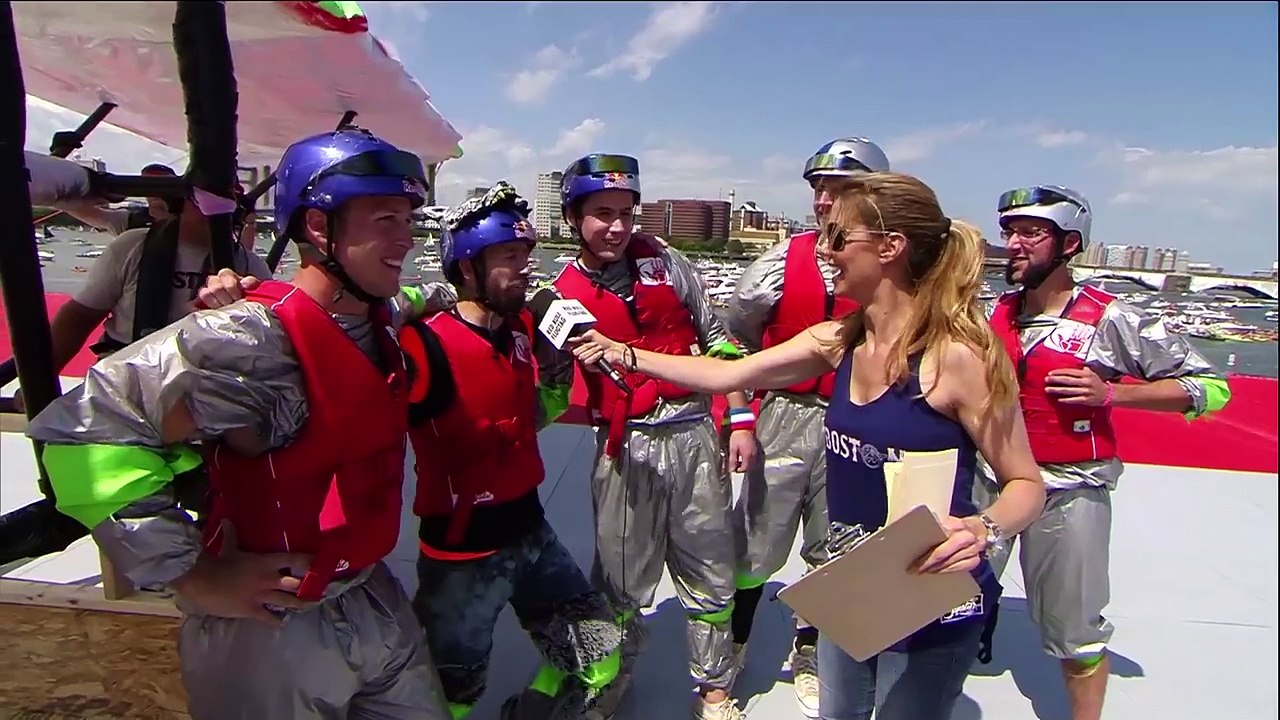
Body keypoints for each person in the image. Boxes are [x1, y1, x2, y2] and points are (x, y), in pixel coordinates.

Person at [569, 171, 1047, 720]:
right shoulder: (839, 341)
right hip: (854, 583)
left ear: (890, 249)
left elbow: (1026, 485)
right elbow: (729, 374)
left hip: (930, 590)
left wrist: (984, 529)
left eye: (841, 238)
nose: (825, 250)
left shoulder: (959, 360)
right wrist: (623, 353)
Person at [24, 128, 452, 720]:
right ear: (319, 228)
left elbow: (428, 295)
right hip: (271, 629)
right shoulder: (246, 338)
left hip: (373, 598)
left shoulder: (382, 316)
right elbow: (82, 430)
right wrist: (193, 576)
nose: (407, 237)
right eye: (386, 219)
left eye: (409, 219)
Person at [974, 185, 1231, 720]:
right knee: (949, 601)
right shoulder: (994, 313)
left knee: (1075, 627)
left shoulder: (1111, 318)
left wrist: (1112, 392)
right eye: (1009, 232)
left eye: (1030, 233)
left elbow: (1211, 388)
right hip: (989, 480)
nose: (1014, 244)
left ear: (1069, 244)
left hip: (1070, 489)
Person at [397, 183, 622, 720]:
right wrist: (415, 298)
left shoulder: (521, 326)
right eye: (508, 258)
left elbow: (543, 397)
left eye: (527, 255)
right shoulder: (421, 345)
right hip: (462, 554)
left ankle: (536, 704)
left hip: (530, 530)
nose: (524, 269)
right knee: (450, 690)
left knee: (601, 652)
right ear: (468, 268)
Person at [553, 153, 758, 720]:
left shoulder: (667, 261)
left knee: (711, 566)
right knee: (620, 579)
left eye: (625, 212)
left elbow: (719, 341)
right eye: (601, 214)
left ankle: (714, 690)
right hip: (625, 448)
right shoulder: (558, 295)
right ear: (574, 218)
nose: (616, 226)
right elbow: (545, 382)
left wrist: (738, 419)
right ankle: (614, 675)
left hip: (694, 433)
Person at [724, 136, 890, 717]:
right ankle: (731, 649)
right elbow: (733, 343)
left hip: (860, 423)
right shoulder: (778, 263)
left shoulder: (894, 269)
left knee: (840, 545)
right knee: (755, 542)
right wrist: (742, 418)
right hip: (787, 417)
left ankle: (811, 647)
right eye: (818, 189)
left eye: (839, 190)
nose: (824, 201)